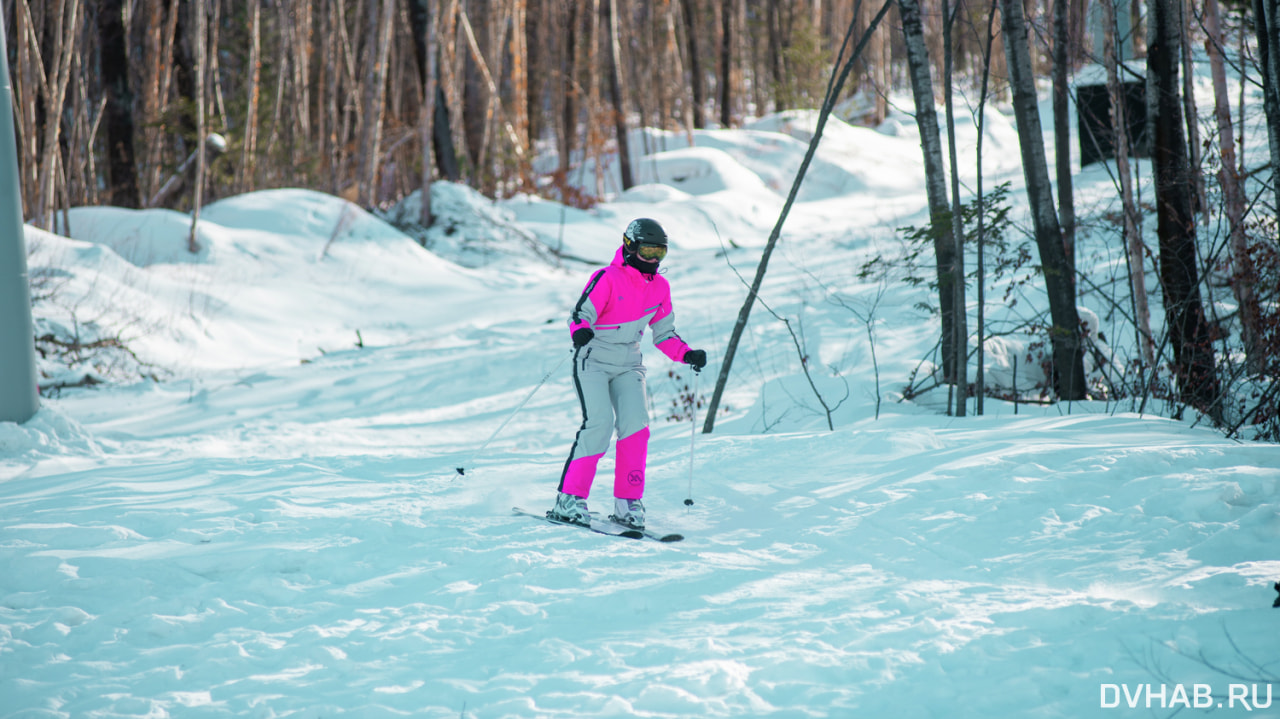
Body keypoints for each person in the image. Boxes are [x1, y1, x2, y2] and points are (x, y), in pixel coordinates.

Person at [550, 218, 707, 529]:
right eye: (647, 250)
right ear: (630, 246)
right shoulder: (608, 278)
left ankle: (627, 503)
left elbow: (663, 334)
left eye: (659, 253)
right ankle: (569, 498)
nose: (652, 260)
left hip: (629, 363)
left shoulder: (660, 287)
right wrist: (580, 330)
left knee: (636, 426)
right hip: (594, 359)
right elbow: (581, 314)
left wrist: (686, 353)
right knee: (599, 424)